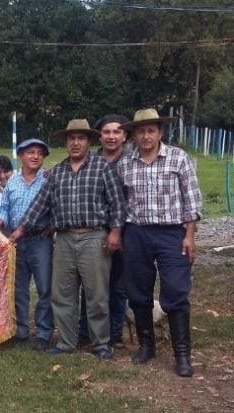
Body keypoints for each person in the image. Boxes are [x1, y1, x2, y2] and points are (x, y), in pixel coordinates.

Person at [9, 119, 125, 360]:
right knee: (62, 294)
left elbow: (117, 204)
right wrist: (20, 230)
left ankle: (100, 342)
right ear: (65, 142)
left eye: (80, 138)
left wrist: (115, 232)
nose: (75, 143)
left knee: (97, 295)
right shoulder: (57, 172)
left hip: (94, 237)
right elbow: (40, 204)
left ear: (89, 141)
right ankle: (66, 340)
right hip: (63, 239)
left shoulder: (103, 168)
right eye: (71, 138)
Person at [116, 109, 202, 377]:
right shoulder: (125, 163)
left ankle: (182, 354)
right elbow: (119, 202)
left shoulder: (178, 158)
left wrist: (189, 235)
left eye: (151, 130)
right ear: (134, 135)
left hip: (171, 233)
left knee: (176, 290)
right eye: (140, 131)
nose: (145, 136)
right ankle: (147, 345)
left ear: (160, 133)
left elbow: (192, 200)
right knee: (138, 291)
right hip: (137, 232)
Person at [77, 114, 131, 349]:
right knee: (90, 284)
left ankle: (115, 333)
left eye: (116, 132)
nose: (111, 136)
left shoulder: (131, 161)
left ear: (124, 135)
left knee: (118, 284)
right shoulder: (88, 160)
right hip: (92, 230)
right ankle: (85, 331)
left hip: (124, 229)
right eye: (106, 132)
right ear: (99, 136)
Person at [0, 138, 54, 351]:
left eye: (40, 153)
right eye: (30, 152)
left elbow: (58, 206)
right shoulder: (12, 181)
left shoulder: (48, 179)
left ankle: (43, 332)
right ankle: (20, 330)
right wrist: (1, 219)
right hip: (15, 241)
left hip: (40, 240)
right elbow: (4, 206)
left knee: (44, 288)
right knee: (19, 288)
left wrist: (53, 224)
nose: (35, 156)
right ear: (21, 156)